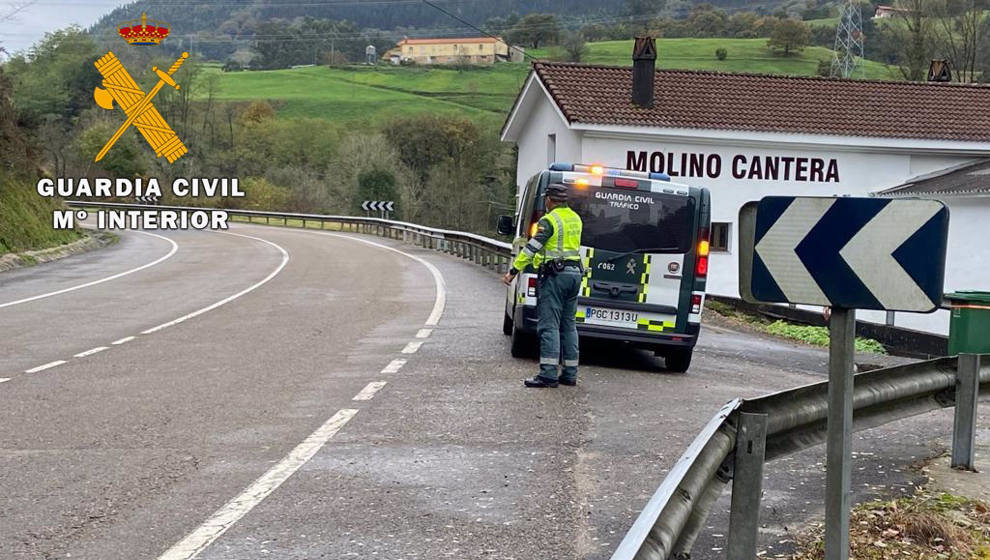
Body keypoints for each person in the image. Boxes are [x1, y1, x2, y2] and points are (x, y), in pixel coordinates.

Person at [502, 183, 584, 388]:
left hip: (556, 277)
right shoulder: (575, 218)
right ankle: (570, 373)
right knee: (569, 325)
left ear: (549, 199)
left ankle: (548, 374)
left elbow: (532, 248)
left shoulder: (549, 221)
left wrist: (513, 271)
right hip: (574, 274)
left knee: (549, 326)